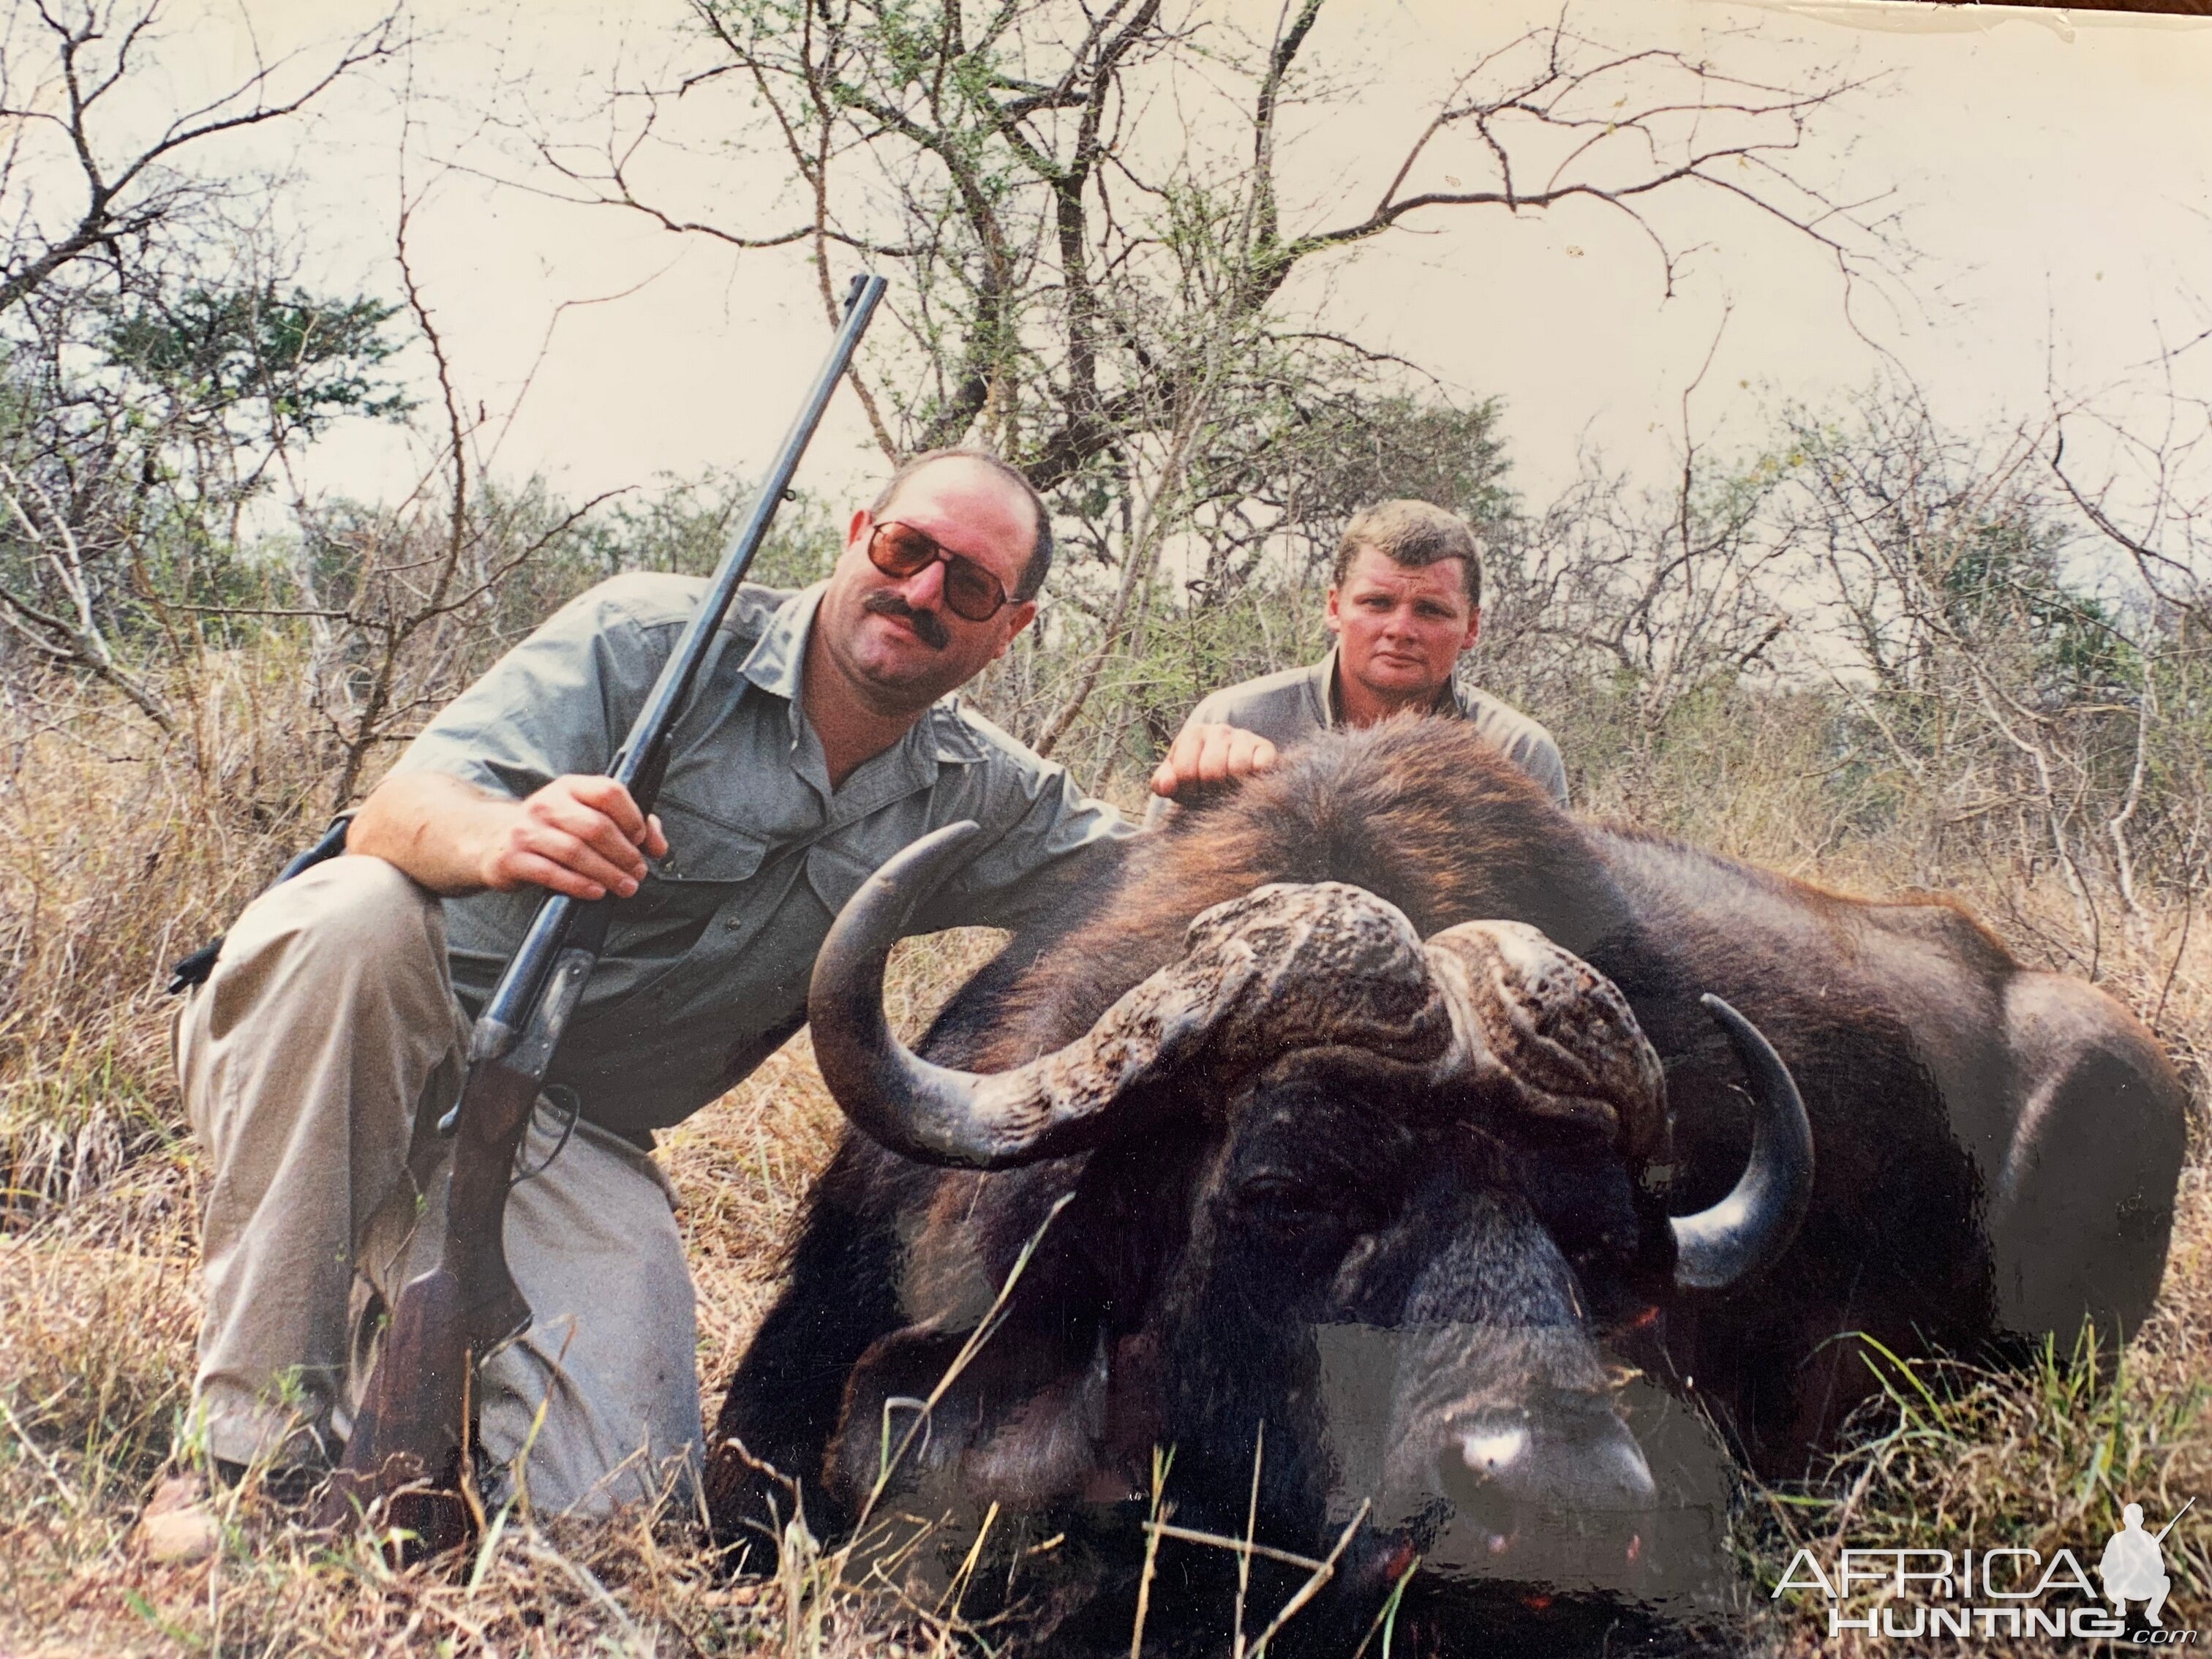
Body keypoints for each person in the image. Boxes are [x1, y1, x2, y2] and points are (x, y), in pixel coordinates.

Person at [173, 448, 1265, 1519]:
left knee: (619, 1499)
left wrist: (1225, 803)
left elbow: (1162, 906)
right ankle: (240, 1458)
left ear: (1010, 629)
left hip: (560, 1126)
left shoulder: (990, 794)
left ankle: (399, 1315)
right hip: (355, 1038)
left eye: (970, 584)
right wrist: (502, 834)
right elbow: (395, 813)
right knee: (358, 916)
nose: (922, 589)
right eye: (905, 546)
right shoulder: (644, 634)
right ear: (856, 537)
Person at [1143, 499, 1565, 823]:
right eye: (1377, 603)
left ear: (1471, 627)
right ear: (1334, 607)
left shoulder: (1516, 754)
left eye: (1431, 610)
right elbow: (1152, 891)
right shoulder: (1235, 720)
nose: (1400, 629)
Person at [2100, 1502, 2172, 1626]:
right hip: (2121, 1587)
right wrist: (2122, 1567)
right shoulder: (2117, 1540)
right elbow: (2104, 1568)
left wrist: (2147, 1563)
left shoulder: (2149, 1540)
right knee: (2107, 1582)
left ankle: (2152, 1613)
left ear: (2142, 1520)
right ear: (2124, 1520)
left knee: (2165, 1582)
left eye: (2136, 1519)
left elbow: (2161, 1569)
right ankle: (2120, 1605)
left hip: (2142, 1586)